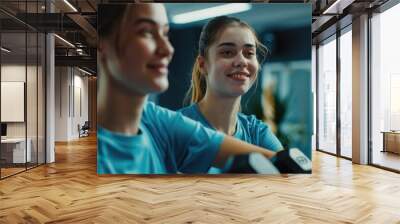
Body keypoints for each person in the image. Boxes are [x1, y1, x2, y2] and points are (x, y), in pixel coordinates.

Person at [97, 3, 278, 174]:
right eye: (146, 32)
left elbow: (281, 164)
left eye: (165, 33)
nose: (168, 49)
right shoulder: (162, 124)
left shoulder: (155, 118)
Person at [179, 16, 283, 173]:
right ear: (203, 64)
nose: (242, 61)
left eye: (249, 53)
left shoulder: (257, 132)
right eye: (227, 52)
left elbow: (288, 178)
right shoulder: (176, 128)